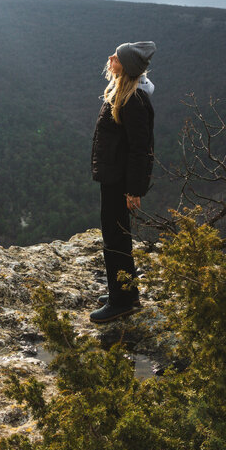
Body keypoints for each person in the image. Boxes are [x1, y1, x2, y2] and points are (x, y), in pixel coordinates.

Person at [89, 41, 156, 323]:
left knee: (115, 237)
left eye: (116, 57)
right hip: (113, 176)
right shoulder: (123, 93)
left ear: (126, 66)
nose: (111, 57)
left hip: (119, 180)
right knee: (117, 234)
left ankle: (121, 300)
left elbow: (142, 149)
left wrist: (134, 190)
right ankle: (125, 290)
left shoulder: (134, 101)